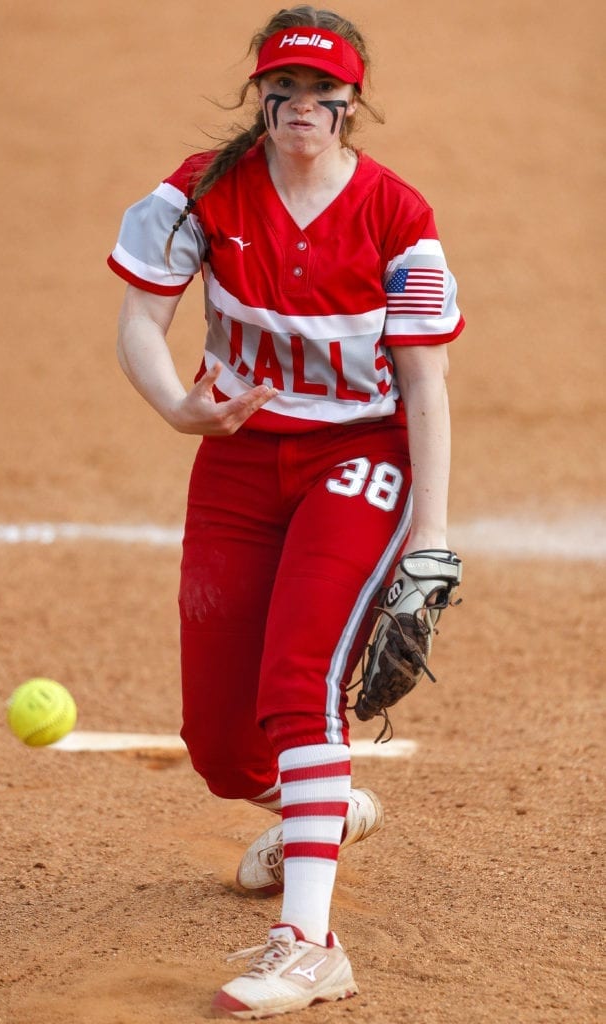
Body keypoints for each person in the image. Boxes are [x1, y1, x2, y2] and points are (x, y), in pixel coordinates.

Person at [108, 5, 464, 1018]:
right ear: (257, 94)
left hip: (358, 456)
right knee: (223, 748)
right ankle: (321, 803)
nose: (301, 107)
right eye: (284, 89)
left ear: (351, 105)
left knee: (298, 675)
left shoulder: (397, 217)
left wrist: (428, 538)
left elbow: (424, 387)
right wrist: (179, 405)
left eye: (322, 93)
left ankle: (308, 944)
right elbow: (140, 318)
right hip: (235, 457)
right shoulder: (200, 192)